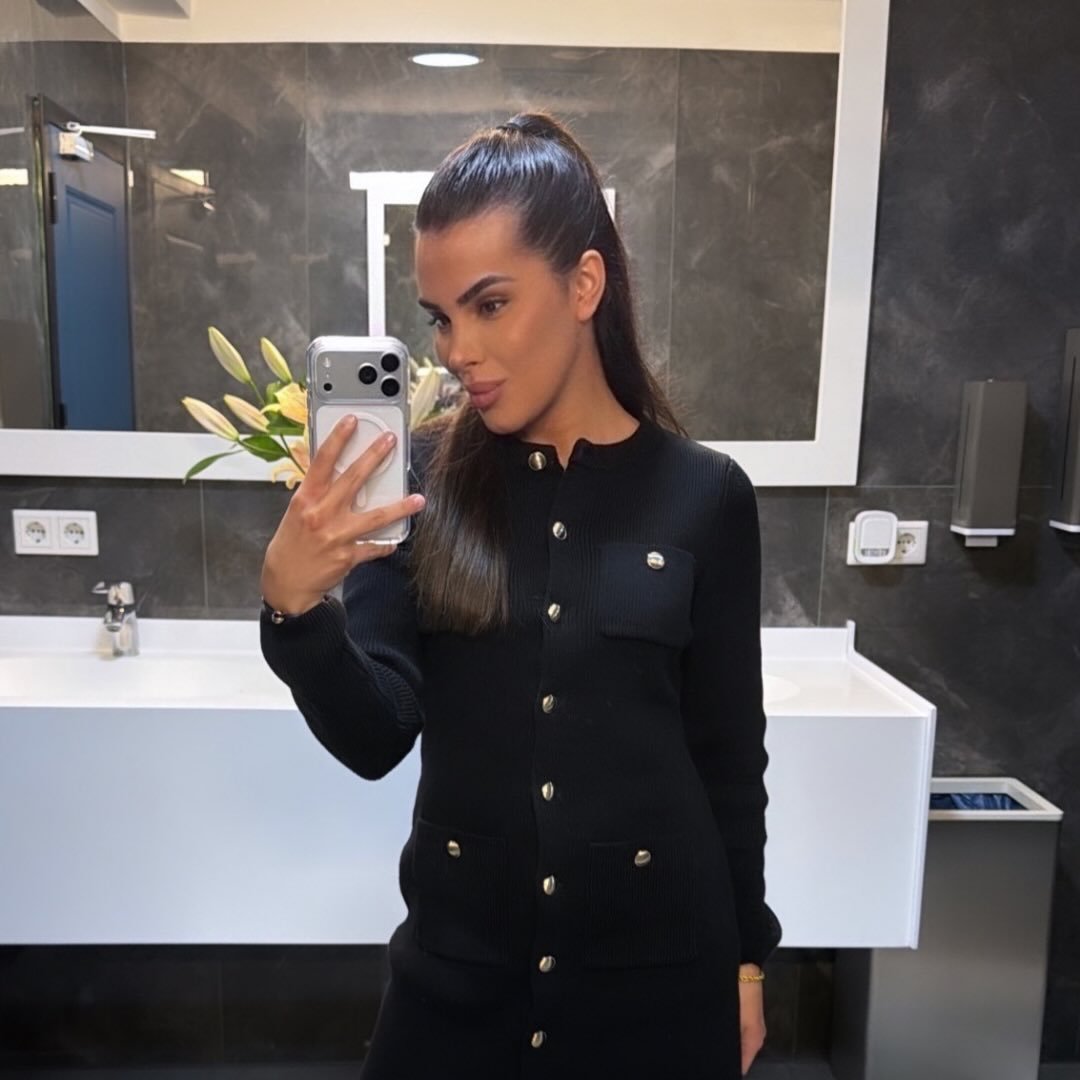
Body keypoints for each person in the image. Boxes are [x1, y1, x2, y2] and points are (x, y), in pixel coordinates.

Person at [259, 109, 782, 1078]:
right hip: (457, 979)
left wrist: (747, 962)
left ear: (585, 284)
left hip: (659, 980)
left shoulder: (706, 495)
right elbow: (375, 736)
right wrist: (296, 615)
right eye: (441, 316)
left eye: (490, 305)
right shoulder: (420, 484)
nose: (457, 349)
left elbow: (726, 758)